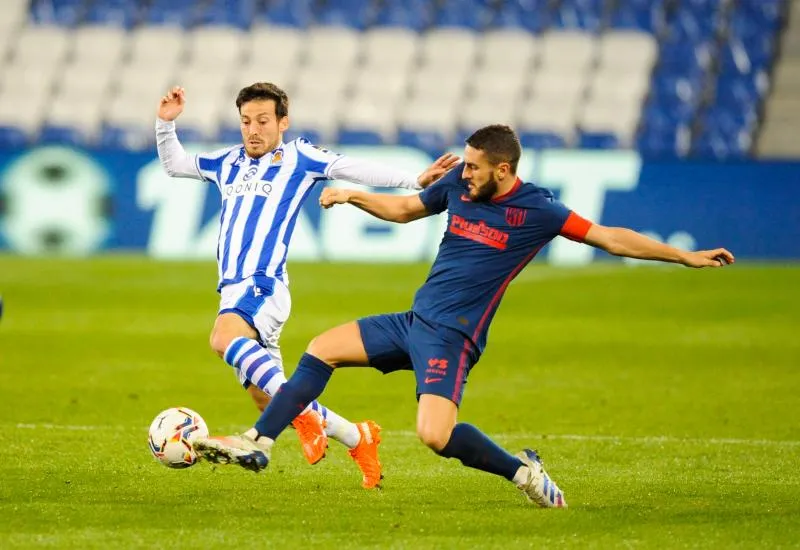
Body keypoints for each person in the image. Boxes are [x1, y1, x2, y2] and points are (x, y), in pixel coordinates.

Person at [192, 124, 734, 506]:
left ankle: (523, 471)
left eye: (474, 167)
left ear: (504, 169)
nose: (462, 174)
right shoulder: (459, 185)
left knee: (434, 435)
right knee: (320, 348)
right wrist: (353, 197)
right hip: (413, 321)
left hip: (452, 340)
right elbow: (406, 209)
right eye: (464, 165)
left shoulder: (538, 210)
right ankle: (259, 442)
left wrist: (683, 256)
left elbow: (610, 237)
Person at [155, 82, 459, 488]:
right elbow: (176, 164)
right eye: (246, 122)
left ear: (283, 121)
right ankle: (358, 436)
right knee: (267, 399)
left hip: (262, 284)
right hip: (233, 289)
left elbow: (351, 167)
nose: (253, 130)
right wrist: (165, 123)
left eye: (263, 121)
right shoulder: (227, 162)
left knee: (222, 338)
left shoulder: (299, 156)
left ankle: (303, 414)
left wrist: (413, 180)